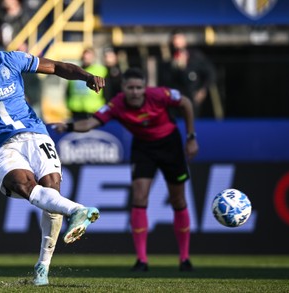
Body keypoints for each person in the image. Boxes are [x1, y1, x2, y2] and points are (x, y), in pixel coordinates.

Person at [0, 17, 104, 286]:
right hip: (4, 144)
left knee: (51, 189)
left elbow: (57, 66)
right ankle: (78, 210)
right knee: (23, 184)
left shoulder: (11, 60)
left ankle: (42, 269)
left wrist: (85, 76)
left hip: (35, 133)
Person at [53, 68, 199, 272]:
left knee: (178, 200)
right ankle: (142, 260)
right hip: (143, 148)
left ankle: (184, 258)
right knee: (139, 198)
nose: (135, 92)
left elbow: (186, 102)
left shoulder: (159, 95)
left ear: (145, 88)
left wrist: (191, 137)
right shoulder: (116, 105)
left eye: (139, 87)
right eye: (130, 87)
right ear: (123, 88)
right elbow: (91, 123)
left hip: (170, 145)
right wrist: (68, 127)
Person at [159, 30, 217, 118]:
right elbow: (165, 81)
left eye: (178, 39)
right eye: (174, 40)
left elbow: (210, 73)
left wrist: (203, 90)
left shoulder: (196, 56)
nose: (176, 43)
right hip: (175, 99)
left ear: (184, 40)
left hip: (192, 97)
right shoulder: (168, 60)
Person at [66, 47, 108, 120]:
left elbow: (107, 91)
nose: (86, 57)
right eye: (84, 55)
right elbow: (68, 90)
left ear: (94, 57)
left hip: (94, 111)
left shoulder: (101, 70)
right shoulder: (75, 71)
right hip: (76, 111)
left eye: (89, 55)